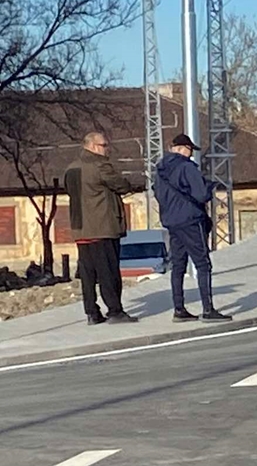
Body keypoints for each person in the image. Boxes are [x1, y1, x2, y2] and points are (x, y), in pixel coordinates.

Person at [153, 134, 232, 323]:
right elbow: (201, 194)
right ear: (182, 148)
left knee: (178, 265)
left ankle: (179, 309)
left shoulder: (160, 171)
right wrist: (209, 186)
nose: (191, 155)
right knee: (203, 263)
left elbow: (159, 195)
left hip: (172, 221)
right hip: (190, 219)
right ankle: (208, 309)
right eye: (189, 150)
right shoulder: (187, 168)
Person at [64, 131, 139, 325]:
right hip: (102, 227)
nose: (108, 149)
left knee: (88, 274)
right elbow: (121, 185)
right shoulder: (100, 166)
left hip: (80, 229)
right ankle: (115, 311)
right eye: (104, 145)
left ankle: (92, 312)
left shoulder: (71, 169)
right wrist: (129, 184)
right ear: (93, 146)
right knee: (109, 272)